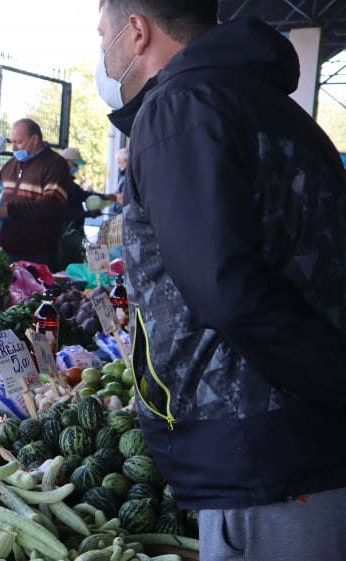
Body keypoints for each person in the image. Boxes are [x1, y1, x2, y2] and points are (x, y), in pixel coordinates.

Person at [96, 1, 346, 559]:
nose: (102, 57)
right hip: (295, 441)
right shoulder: (272, 107)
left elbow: (227, 290)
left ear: (136, 32)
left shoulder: (181, 107)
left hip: (263, 452)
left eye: (102, 36)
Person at [0, 118, 71, 270]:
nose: (14, 147)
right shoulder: (10, 165)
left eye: (19, 142)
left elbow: (52, 203)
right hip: (6, 249)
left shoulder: (55, 164)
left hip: (39, 253)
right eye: (12, 142)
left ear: (34, 139)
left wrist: (9, 210)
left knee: (37, 292)